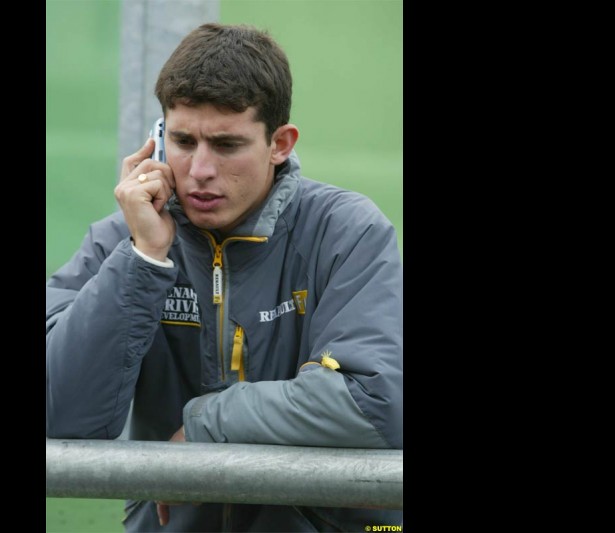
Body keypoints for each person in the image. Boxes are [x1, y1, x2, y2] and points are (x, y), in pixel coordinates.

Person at [46, 22, 402, 531]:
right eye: (184, 141)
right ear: (158, 138)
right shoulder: (121, 242)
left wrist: (204, 426)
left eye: (227, 145)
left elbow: (375, 404)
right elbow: (62, 422)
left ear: (280, 143)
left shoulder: (346, 231)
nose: (200, 170)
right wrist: (144, 260)